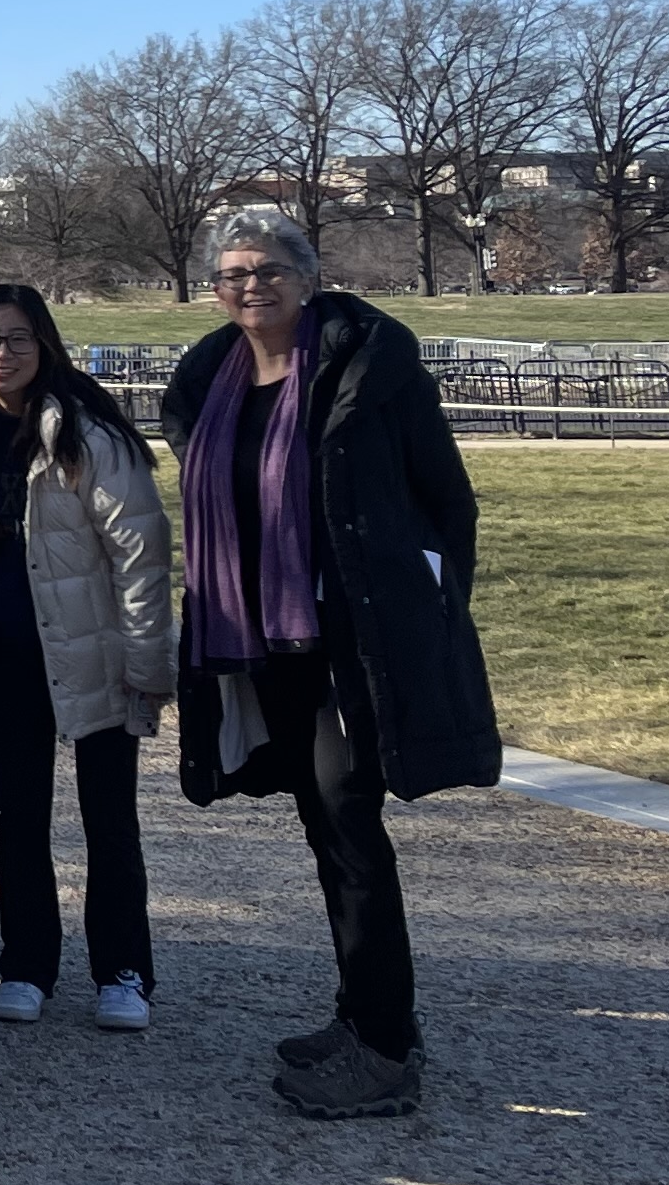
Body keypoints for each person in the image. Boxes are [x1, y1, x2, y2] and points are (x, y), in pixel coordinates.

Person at [161, 209, 498, 1122]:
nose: (251, 287)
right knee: (324, 825)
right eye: (232, 274)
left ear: (307, 277)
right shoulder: (208, 377)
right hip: (262, 639)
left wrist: (424, 598)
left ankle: (386, 1049)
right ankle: (364, 1015)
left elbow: (445, 499)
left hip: (349, 633)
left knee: (350, 824)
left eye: (268, 270)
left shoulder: (368, 365)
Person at [0, 284, 169, 1034]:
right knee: (20, 818)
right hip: (2, 654)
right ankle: (29, 964)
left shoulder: (88, 432)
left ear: (47, 345)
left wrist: (146, 656)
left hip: (89, 645)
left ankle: (123, 971)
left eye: (18, 338)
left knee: (108, 817)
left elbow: (139, 550)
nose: (1, 353)